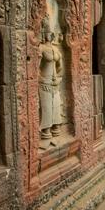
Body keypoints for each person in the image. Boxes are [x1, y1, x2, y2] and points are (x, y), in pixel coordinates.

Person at [39, 16, 63, 149]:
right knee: (47, 109)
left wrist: (59, 78)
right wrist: (41, 79)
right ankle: (46, 134)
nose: (49, 35)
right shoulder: (41, 48)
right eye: (47, 33)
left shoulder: (56, 50)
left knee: (56, 108)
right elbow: (34, 68)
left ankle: (56, 133)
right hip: (44, 82)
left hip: (55, 83)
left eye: (51, 33)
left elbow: (60, 67)